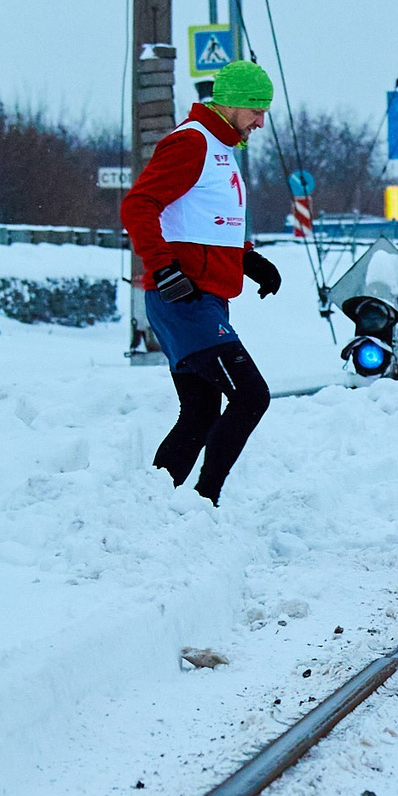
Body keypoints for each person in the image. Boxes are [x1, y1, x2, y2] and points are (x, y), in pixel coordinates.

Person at [120, 61, 286, 503]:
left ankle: (152, 505)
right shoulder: (191, 142)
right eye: (255, 109)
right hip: (183, 297)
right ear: (229, 103)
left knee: (199, 412)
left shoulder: (219, 147)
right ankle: (204, 501)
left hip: (204, 297)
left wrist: (249, 260)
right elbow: (138, 206)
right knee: (251, 396)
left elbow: (209, 224)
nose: (260, 121)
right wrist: (164, 269)